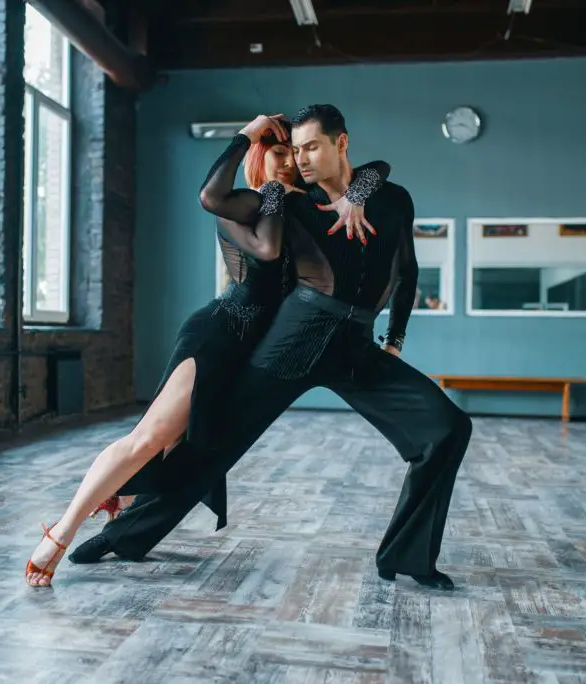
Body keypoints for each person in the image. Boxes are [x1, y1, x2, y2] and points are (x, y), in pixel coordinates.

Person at [70, 105, 472, 590]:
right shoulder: (289, 202)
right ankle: (122, 535)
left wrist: (395, 340)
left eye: (311, 147)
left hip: (355, 348)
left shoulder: (391, 199)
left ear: (341, 144)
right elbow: (213, 197)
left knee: (448, 428)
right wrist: (246, 135)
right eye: (295, 149)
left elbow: (407, 271)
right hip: (293, 340)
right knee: (213, 445)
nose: (300, 159)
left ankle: (406, 557)